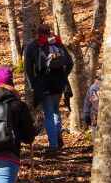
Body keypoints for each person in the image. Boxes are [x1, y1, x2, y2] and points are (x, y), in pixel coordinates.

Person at [24, 24, 74, 154]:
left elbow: (28, 68)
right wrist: (63, 76)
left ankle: (53, 145)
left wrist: (33, 85)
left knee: (48, 114)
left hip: (44, 83)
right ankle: (57, 135)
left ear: (38, 33)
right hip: (59, 83)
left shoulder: (33, 46)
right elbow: (70, 63)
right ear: (49, 32)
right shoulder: (58, 43)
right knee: (56, 109)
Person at [82, 72, 101, 142]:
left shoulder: (93, 87)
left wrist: (86, 114)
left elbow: (87, 103)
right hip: (95, 117)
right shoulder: (94, 88)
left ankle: (95, 145)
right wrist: (86, 114)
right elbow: (88, 102)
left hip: (95, 116)